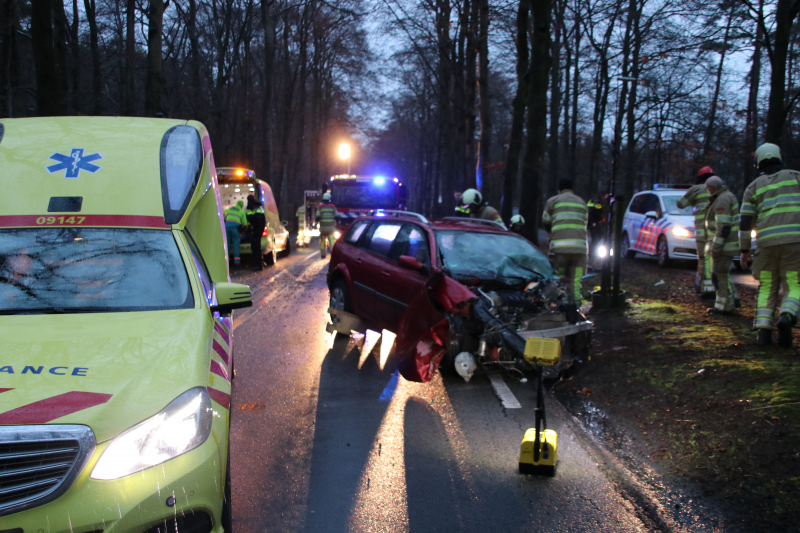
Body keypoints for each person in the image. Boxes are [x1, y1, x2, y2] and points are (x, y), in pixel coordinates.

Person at [740, 143, 800, 347]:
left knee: (766, 285)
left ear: (758, 162)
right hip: (794, 243)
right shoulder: (796, 177)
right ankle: (786, 315)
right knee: (794, 283)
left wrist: (744, 250)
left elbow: (745, 222)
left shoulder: (753, 187)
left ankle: (763, 332)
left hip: (765, 245)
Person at [542, 178, 588, 306]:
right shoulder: (582, 202)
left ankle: (561, 305)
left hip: (560, 250)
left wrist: (552, 236)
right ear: (572, 188)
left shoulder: (553, 201)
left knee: (560, 279)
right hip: (579, 250)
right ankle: (576, 305)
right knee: (576, 280)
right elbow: (584, 224)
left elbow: (546, 222)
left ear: (559, 189)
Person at [704, 176, 740, 315]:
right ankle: (730, 302)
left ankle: (723, 307)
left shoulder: (722, 200)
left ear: (712, 188)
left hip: (724, 247)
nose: (707, 191)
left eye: (707, 189)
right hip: (727, 245)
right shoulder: (726, 196)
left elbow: (724, 226)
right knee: (722, 275)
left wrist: (716, 248)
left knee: (718, 276)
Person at [677, 166, 715, 295]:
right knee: (716, 259)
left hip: (702, 231)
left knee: (704, 259)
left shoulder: (696, 189)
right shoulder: (720, 189)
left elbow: (681, 204)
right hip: (718, 231)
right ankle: (702, 285)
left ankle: (707, 288)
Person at [246, 195, 268, 271]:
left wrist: (250, 227)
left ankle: (258, 265)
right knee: (257, 247)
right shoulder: (258, 207)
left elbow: (250, 219)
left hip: (256, 230)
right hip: (259, 229)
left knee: (255, 247)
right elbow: (262, 219)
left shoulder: (251, 208)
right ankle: (260, 263)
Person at [224, 200, 248, 265]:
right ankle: (237, 261)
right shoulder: (242, 212)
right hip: (235, 228)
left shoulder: (230, 209)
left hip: (226, 227)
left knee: (227, 244)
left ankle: (227, 261)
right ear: (242, 206)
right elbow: (245, 223)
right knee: (235, 244)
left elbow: (225, 215)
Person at [317, 192, 338, 258]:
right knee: (332, 240)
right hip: (331, 228)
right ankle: (333, 253)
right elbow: (337, 216)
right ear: (329, 199)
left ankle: (323, 254)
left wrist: (315, 223)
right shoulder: (332, 207)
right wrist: (337, 223)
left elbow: (317, 216)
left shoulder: (320, 207)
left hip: (323, 228)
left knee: (322, 241)